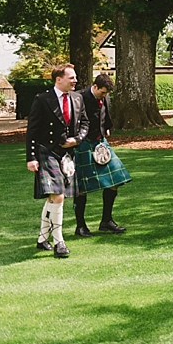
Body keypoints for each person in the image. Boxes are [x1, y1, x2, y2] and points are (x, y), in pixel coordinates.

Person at [26, 63, 90, 258]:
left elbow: (85, 123)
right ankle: (59, 241)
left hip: (66, 154)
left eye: (75, 77)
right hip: (47, 151)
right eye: (71, 77)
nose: (75, 80)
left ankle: (42, 238)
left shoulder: (77, 98)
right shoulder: (42, 99)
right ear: (58, 79)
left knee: (53, 197)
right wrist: (31, 157)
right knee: (58, 195)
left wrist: (77, 139)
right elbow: (33, 130)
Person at [72, 74, 131, 237]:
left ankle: (106, 221)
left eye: (106, 93)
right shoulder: (80, 98)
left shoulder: (105, 96)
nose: (104, 96)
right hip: (83, 143)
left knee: (115, 180)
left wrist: (105, 127)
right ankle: (81, 226)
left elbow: (105, 114)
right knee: (81, 186)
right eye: (102, 92)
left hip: (100, 141)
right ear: (95, 87)